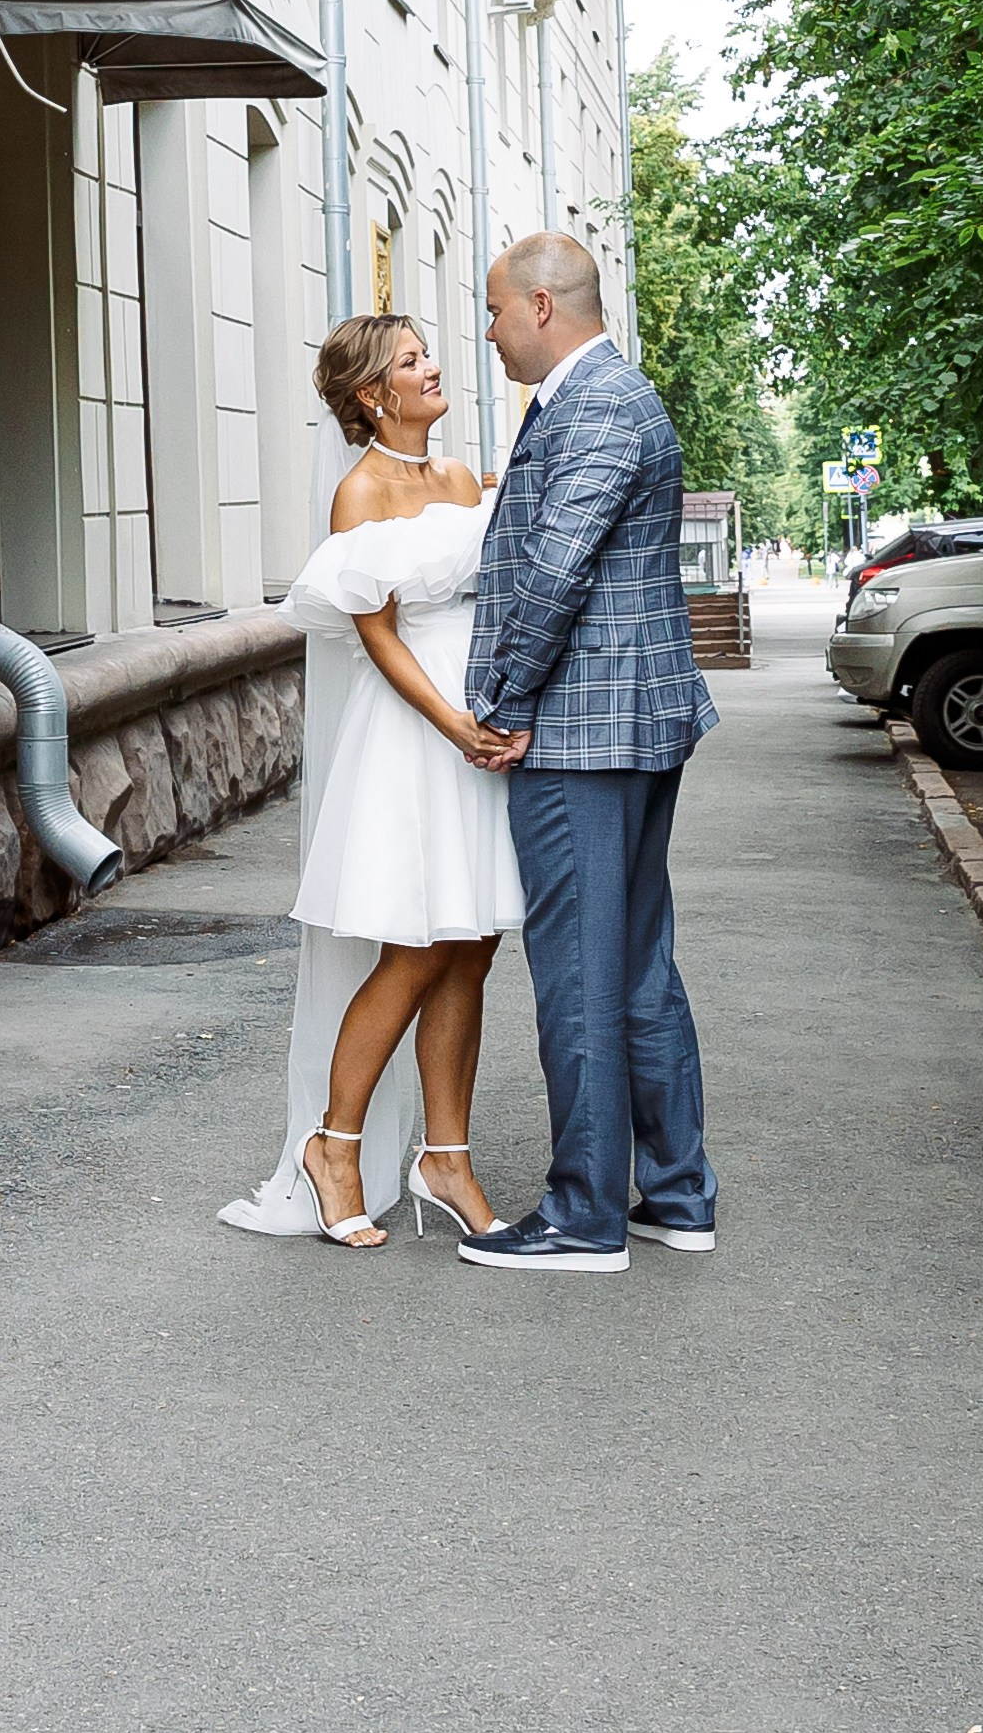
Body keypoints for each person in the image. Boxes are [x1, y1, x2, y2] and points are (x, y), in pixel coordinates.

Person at [219, 313, 522, 1249]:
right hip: (415, 730)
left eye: (427, 354)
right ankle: (333, 1146)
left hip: (478, 720)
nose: (432, 369)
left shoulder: (463, 478)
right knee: (414, 949)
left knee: (471, 944)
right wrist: (451, 721)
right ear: (370, 395)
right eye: (409, 362)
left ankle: (446, 1158)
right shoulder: (359, 494)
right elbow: (376, 634)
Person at [458, 232, 719, 1273]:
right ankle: (678, 1195)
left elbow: (556, 569)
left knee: (578, 972)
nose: (484, 332)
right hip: (628, 724)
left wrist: (506, 700)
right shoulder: (608, 397)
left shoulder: (599, 402)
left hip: (582, 729)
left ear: (538, 305)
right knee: (636, 963)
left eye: (490, 310)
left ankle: (582, 1216)